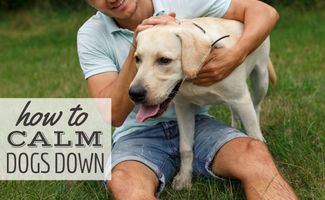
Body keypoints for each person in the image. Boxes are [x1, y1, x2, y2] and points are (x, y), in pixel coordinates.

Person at [77, 0, 298, 199]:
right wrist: (135, 47)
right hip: (137, 135)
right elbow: (112, 114)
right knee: (124, 181)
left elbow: (265, 12)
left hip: (200, 124)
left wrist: (235, 55)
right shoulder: (90, 35)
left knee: (256, 155)